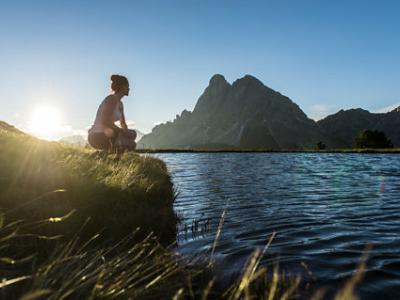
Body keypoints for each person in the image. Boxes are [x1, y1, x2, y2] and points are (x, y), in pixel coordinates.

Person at [88, 74, 137, 153]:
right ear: (122, 87)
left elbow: (123, 124)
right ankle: (101, 154)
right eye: (127, 86)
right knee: (131, 144)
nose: (129, 88)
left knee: (133, 134)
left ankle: (108, 157)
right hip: (97, 135)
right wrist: (121, 132)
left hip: (109, 133)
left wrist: (127, 133)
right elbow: (105, 122)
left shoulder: (120, 104)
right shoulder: (111, 99)